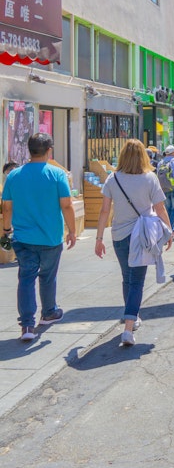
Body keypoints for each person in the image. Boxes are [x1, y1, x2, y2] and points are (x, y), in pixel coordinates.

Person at [95, 139, 173, 346]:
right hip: (143, 236)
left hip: (119, 235)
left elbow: (104, 211)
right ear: (143, 156)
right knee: (137, 281)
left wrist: (99, 238)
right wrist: (169, 231)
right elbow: (160, 208)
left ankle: (131, 316)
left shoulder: (113, 179)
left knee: (127, 278)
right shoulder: (150, 178)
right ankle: (129, 327)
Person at [1, 133, 76, 342]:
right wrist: (72, 230)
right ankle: (49, 312)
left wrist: (6, 230)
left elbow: (6, 207)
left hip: (23, 238)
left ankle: (26, 325)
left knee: (26, 278)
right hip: (50, 237)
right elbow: (67, 205)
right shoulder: (57, 175)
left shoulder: (14, 176)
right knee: (47, 276)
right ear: (49, 150)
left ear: (29, 150)